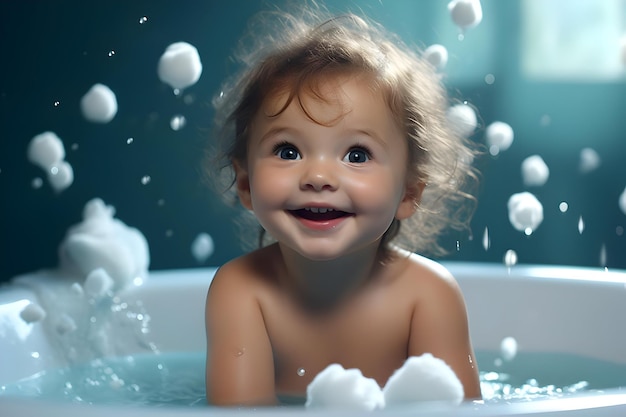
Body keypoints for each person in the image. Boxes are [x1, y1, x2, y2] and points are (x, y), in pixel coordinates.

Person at [205, 3, 482, 406]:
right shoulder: (241, 291)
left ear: (408, 193)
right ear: (246, 184)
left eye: (356, 155)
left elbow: (463, 414)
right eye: (287, 151)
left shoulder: (428, 296)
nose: (318, 177)